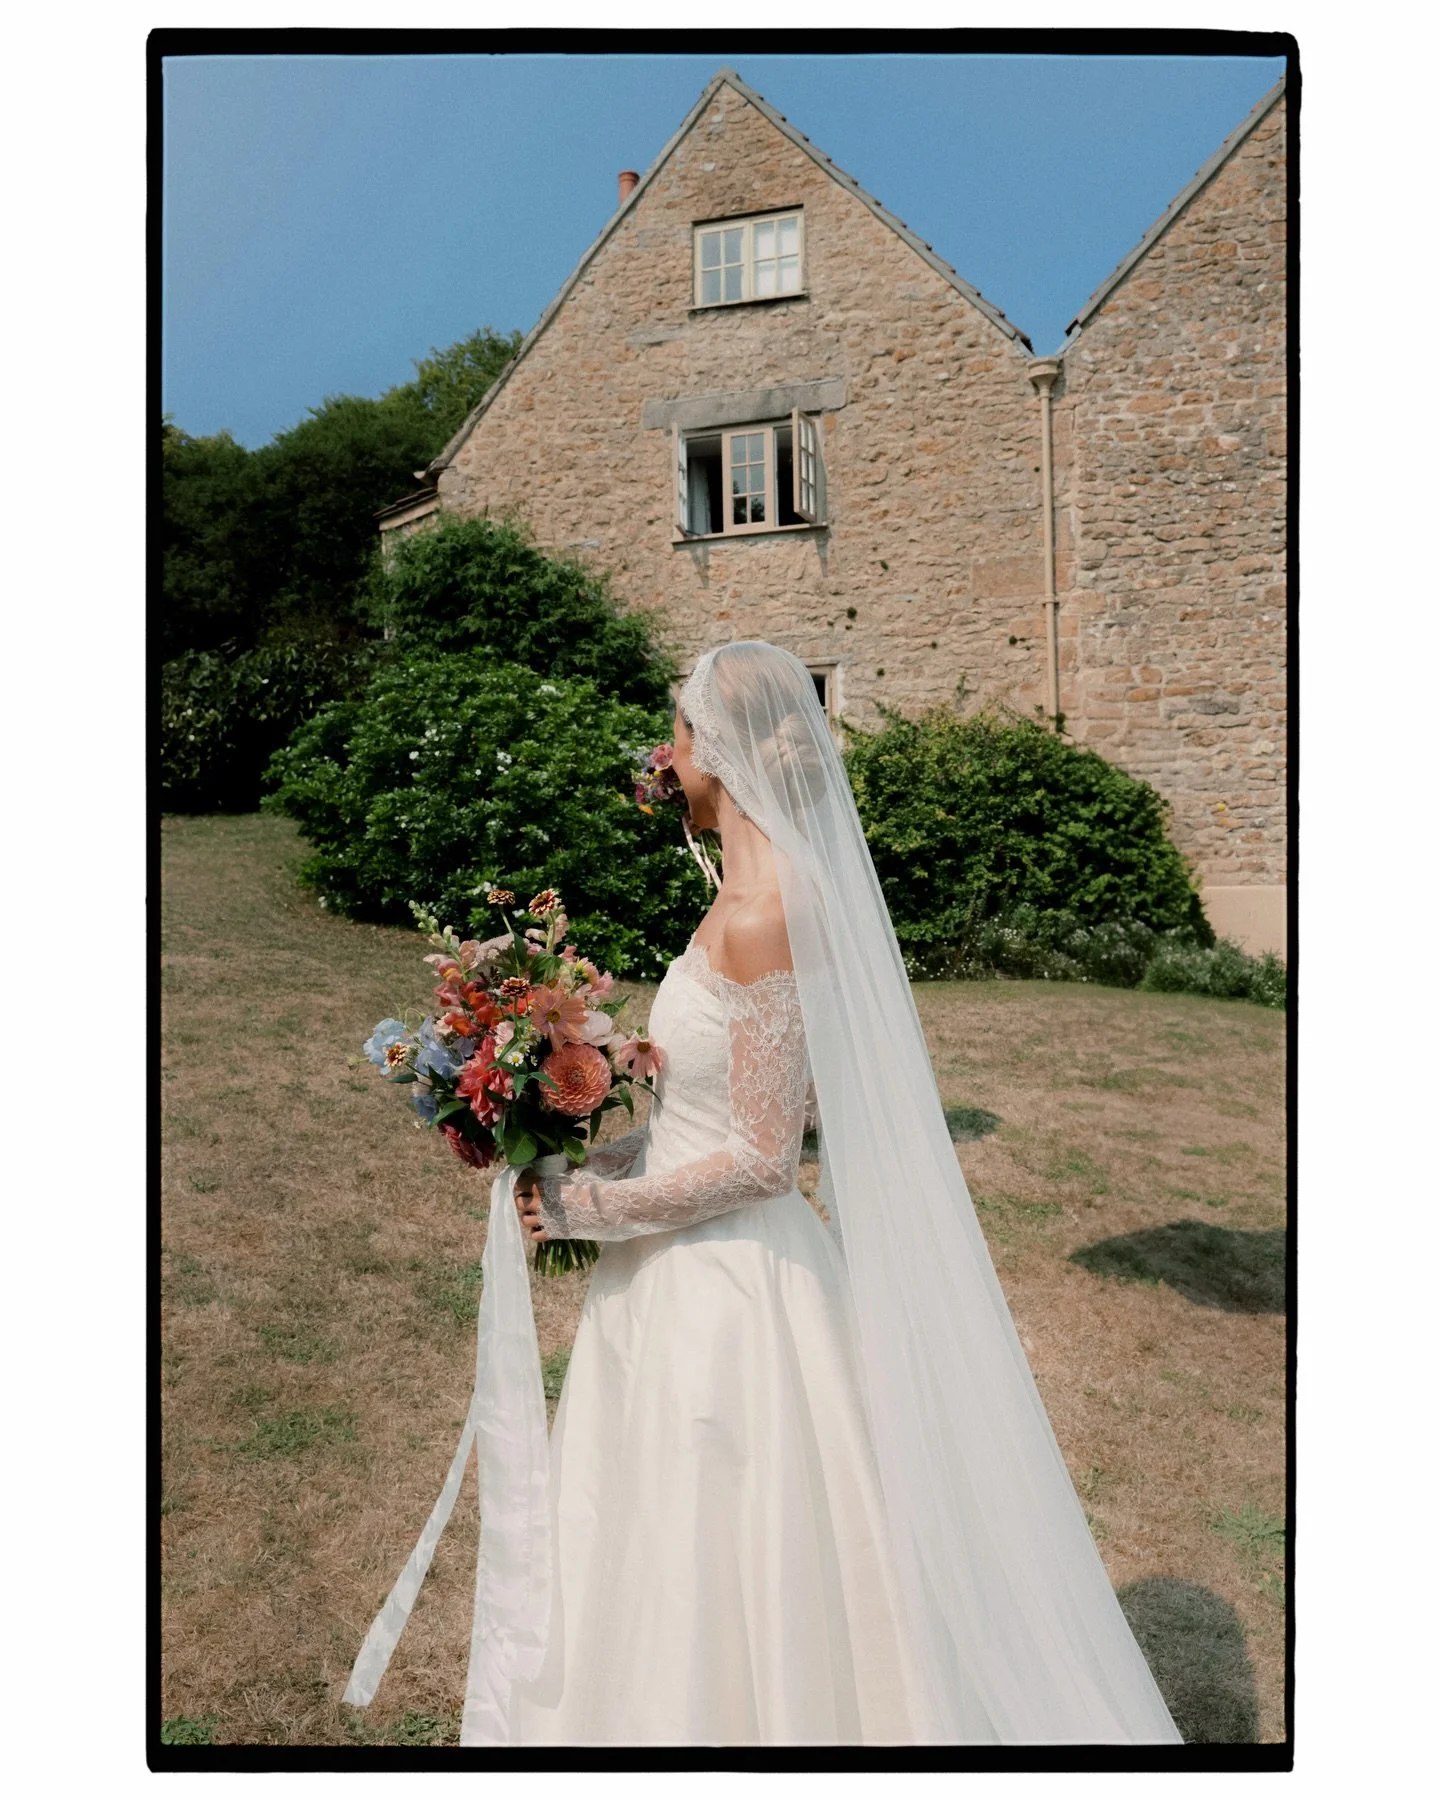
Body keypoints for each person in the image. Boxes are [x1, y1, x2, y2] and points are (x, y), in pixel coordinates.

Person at [344, 641, 1183, 1747]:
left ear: (717, 752)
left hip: (735, 1287)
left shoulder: (768, 910)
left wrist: (592, 1213)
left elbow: (758, 1159)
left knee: (732, 1530)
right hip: (670, 1269)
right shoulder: (733, 895)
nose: (665, 755)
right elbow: (707, 1114)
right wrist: (593, 1156)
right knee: (655, 1541)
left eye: (678, 733)